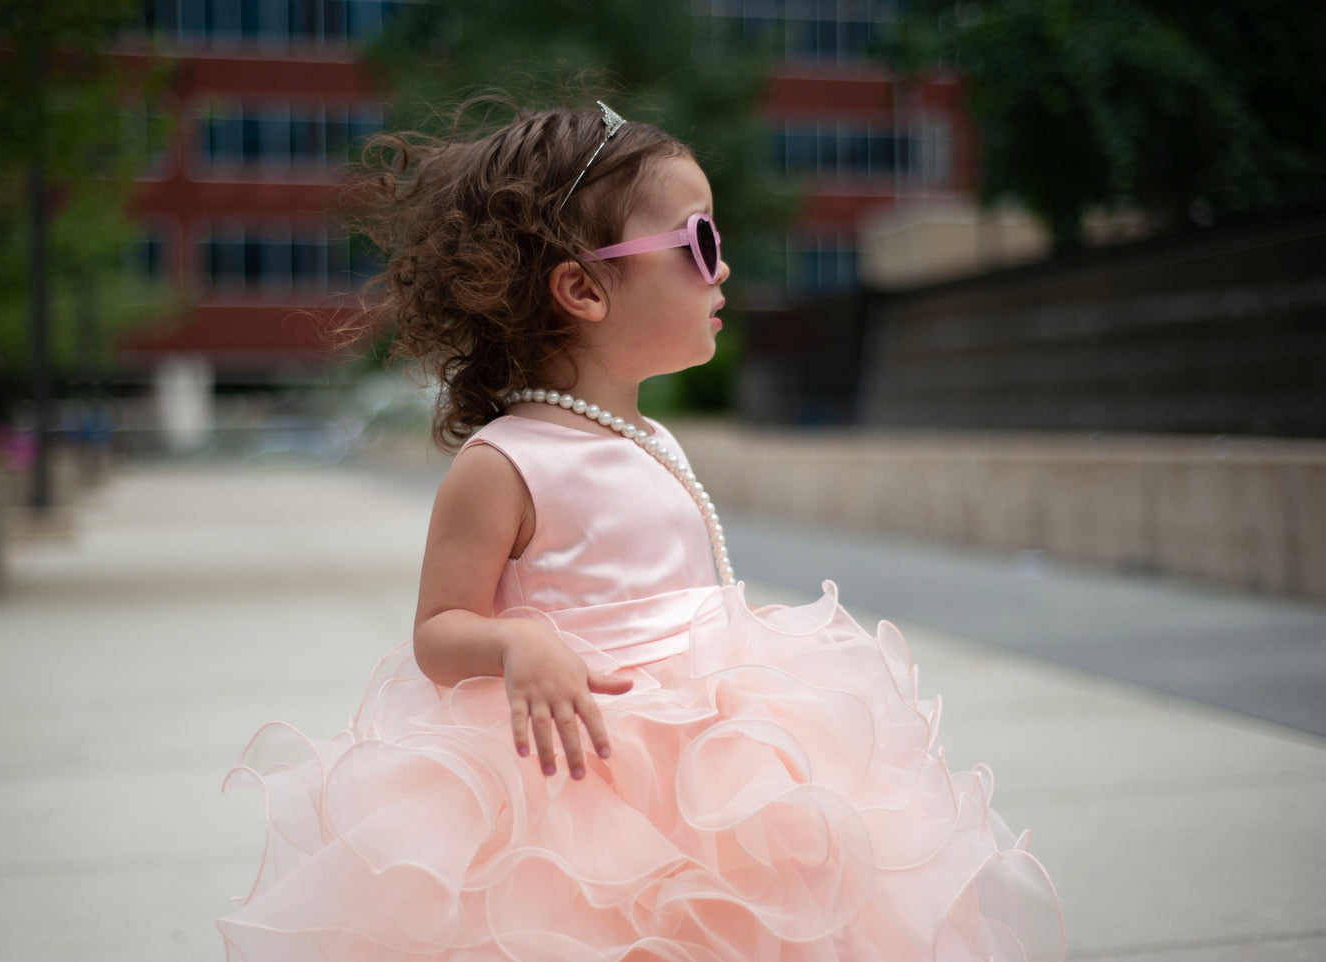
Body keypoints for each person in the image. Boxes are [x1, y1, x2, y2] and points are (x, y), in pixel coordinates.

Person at [218, 100, 1064, 961]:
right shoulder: (505, 462)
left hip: (715, 759)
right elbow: (439, 632)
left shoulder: (648, 435)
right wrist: (516, 645)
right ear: (584, 288)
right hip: (582, 774)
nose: (722, 268)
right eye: (697, 245)